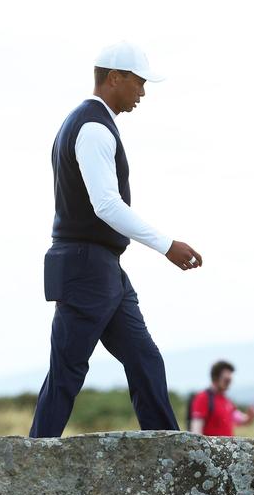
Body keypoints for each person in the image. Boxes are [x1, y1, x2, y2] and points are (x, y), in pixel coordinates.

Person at [29, 42, 205, 438]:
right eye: (139, 84)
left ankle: (166, 449)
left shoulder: (87, 123)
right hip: (86, 265)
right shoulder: (93, 127)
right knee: (67, 370)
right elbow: (106, 205)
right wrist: (166, 245)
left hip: (100, 266)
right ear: (115, 78)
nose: (142, 93)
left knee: (144, 359)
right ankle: (33, 455)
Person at [189, 361, 254, 437]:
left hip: (228, 448)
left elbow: (239, 419)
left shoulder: (226, 400)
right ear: (215, 378)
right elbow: (196, 430)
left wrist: (250, 417)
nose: (228, 383)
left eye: (230, 380)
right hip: (211, 448)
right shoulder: (203, 398)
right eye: (226, 380)